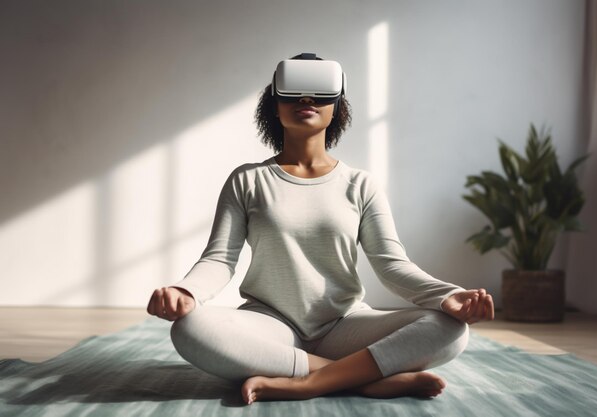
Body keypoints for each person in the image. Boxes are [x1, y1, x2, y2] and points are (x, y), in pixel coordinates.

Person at [147, 54, 494, 405]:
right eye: (293, 93)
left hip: (345, 324)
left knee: (450, 329)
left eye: (319, 94)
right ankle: (362, 379)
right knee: (190, 328)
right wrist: (186, 291)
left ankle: (306, 381)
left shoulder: (360, 184)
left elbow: (392, 265)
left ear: (337, 106)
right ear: (274, 105)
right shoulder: (248, 180)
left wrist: (447, 295)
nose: (307, 100)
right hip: (270, 323)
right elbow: (220, 260)